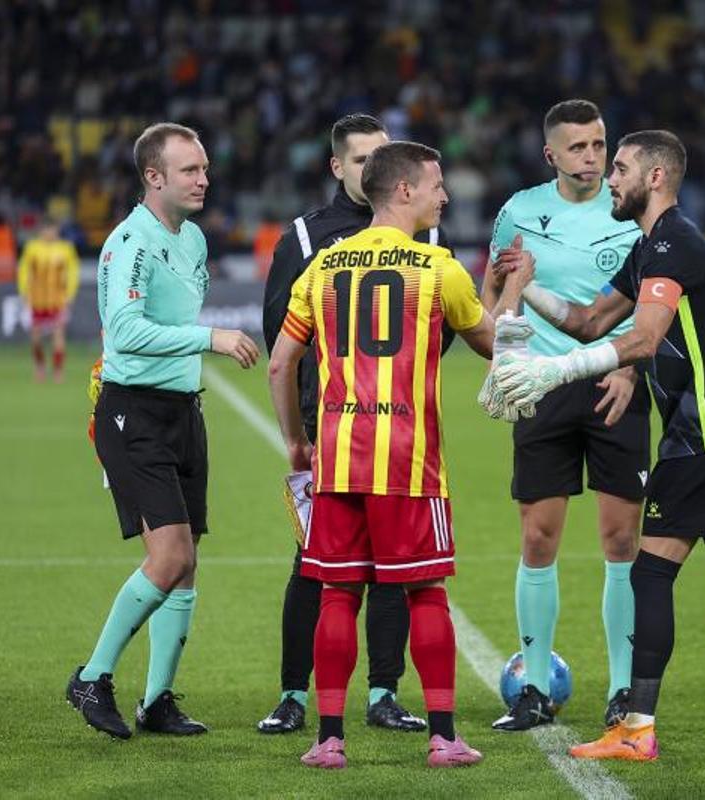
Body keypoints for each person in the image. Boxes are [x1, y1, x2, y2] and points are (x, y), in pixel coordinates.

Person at [491, 130, 705, 761]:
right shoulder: (653, 247)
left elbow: (641, 340)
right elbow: (588, 319)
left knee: (649, 573)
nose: (609, 178)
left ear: (656, 177)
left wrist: (552, 372)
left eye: (620, 168)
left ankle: (636, 729)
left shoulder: (671, 244)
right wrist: (525, 285)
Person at [267, 141, 526, 768]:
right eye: (436, 185)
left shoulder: (323, 267)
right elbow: (497, 344)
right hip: (409, 463)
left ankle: (328, 739)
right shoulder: (436, 268)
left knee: (336, 595)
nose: (445, 195)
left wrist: (297, 442)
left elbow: (280, 362)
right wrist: (511, 286)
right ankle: (443, 737)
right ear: (404, 191)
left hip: (336, 460)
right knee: (427, 593)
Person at [258, 113, 455, 735]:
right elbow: (278, 337)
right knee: (312, 568)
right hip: (330, 430)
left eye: (382, 156)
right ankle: (294, 692)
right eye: (363, 158)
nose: (373, 166)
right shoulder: (305, 239)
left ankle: (382, 692)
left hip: (390, 426)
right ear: (338, 166)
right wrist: (306, 426)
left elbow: (433, 331)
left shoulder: (417, 238)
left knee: (390, 574)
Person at [66, 122, 260, 740]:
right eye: (189, 171)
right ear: (154, 178)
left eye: (204, 168)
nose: (204, 179)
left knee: (187, 563)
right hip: (132, 413)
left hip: (182, 410)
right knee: (169, 555)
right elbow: (123, 333)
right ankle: (92, 677)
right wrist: (212, 338)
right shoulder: (130, 243)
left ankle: (156, 702)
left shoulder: (195, 239)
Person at [481, 99, 647, 732]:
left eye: (599, 144)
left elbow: (654, 306)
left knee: (620, 540)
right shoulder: (520, 212)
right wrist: (498, 350)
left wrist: (631, 369)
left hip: (615, 381)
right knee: (537, 536)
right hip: (543, 386)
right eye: (577, 147)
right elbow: (495, 292)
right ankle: (532, 690)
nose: (592, 156)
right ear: (551, 154)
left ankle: (625, 690)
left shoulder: (630, 211)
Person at [17, 220, 80, 382]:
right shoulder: (32, 248)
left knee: (58, 336)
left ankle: (58, 371)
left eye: (52, 229)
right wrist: (24, 292)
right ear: (41, 231)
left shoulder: (66, 248)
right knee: (36, 339)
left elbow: (73, 272)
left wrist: (70, 295)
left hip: (57, 300)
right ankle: (40, 367)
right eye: (46, 230)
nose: (49, 233)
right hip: (37, 300)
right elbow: (24, 270)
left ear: (57, 230)